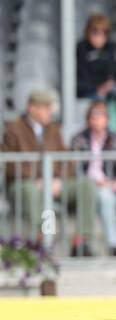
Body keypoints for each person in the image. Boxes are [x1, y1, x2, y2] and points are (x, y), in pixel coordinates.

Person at [2, 90, 69, 240]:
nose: (50, 112)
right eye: (46, 107)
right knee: (35, 193)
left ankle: (81, 241)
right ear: (33, 109)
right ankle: (45, 237)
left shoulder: (54, 128)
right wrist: (36, 179)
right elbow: (10, 164)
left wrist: (57, 178)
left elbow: (66, 157)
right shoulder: (13, 129)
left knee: (85, 186)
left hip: (52, 182)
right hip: (23, 184)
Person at [68, 100, 116, 257]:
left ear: (107, 119)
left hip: (112, 183)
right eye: (94, 116)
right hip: (90, 184)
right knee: (106, 198)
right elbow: (75, 169)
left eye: (101, 116)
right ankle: (113, 245)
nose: (97, 120)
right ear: (88, 119)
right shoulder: (79, 139)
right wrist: (97, 181)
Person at [77, 12, 116, 99]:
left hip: (107, 92)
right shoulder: (81, 49)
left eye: (104, 33)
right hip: (88, 93)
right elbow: (80, 80)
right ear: (87, 32)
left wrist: (110, 83)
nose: (100, 37)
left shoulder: (110, 49)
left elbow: (114, 72)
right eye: (95, 33)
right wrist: (97, 89)